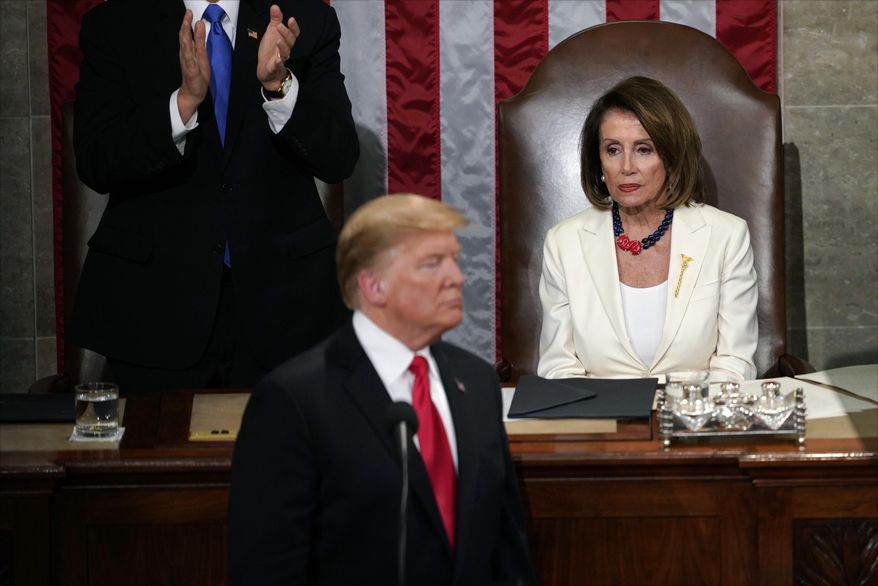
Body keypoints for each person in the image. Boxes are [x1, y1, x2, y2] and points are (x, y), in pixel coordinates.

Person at [229, 194, 536, 586]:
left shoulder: (476, 381)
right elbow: (266, 570)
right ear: (374, 286)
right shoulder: (294, 399)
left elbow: (508, 553)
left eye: (455, 260)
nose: (457, 277)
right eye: (432, 264)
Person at [70, 0, 359, 392]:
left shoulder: (304, 19)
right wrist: (182, 105)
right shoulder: (115, 24)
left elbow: (339, 156)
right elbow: (95, 160)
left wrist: (280, 87)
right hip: (152, 312)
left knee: (283, 453)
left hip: (287, 311)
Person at [538, 76, 758, 381]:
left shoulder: (726, 236)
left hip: (693, 419)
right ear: (598, 161)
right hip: (601, 420)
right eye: (613, 150)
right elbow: (558, 367)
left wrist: (687, 418)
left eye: (644, 149)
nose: (627, 166)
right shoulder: (564, 242)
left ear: (672, 156)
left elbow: (734, 363)